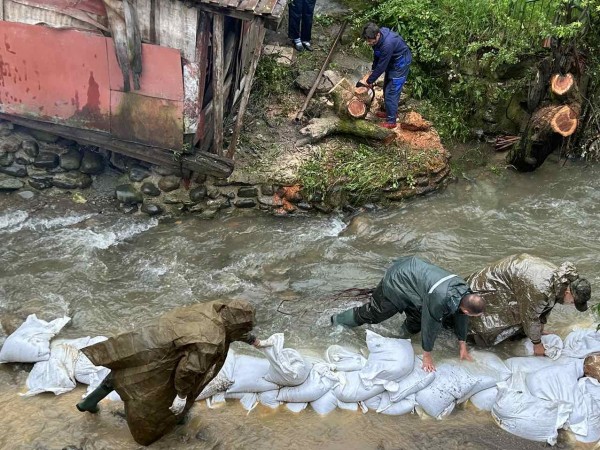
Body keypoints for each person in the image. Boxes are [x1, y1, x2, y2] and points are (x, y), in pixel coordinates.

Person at [75, 300, 266, 446]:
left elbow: (230, 328)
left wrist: (253, 341)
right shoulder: (211, 341)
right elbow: (188, 371)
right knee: (155, 390)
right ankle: (179, 418)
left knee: (127, 369)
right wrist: (181, 396)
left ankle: (88, 402)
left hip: (150, 338)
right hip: (166, 356)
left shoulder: (215, 308)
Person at [331, 256, 485, 372]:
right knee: (374, 314)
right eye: (473, 315)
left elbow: (461, 316)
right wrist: (427, 356)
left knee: (416, 319)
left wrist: (462, 345)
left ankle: (400, 338)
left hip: (415, 281)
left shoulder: (465, 291)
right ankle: (336, 321)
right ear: (467, 308)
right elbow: (430, 325)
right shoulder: (440, 298)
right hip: (398, 280)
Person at [466, 253, 591, 354]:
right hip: (490, 286)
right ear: (569, 293)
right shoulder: (541, 289)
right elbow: (531, 317)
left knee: (523, 318)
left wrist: (540, 328)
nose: (570, 305)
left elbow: (546, 305)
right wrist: (537, 344)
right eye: (572, 302)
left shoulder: (561, 281)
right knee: (487, 324)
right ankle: (467, 338)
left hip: (516, 280)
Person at [361, 22, 412, 129]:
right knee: (386, 86)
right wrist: (373, 70)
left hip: (400, 64)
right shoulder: (377, 41)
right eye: (367, 41)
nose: (368, 43)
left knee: (391, 91)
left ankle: (391, 121)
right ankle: (390, 112)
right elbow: (377, 56)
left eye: (370, 41)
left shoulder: (387, 44)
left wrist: (369, 81)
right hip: (392, 61)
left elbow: (382, 67)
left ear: (378, 35)